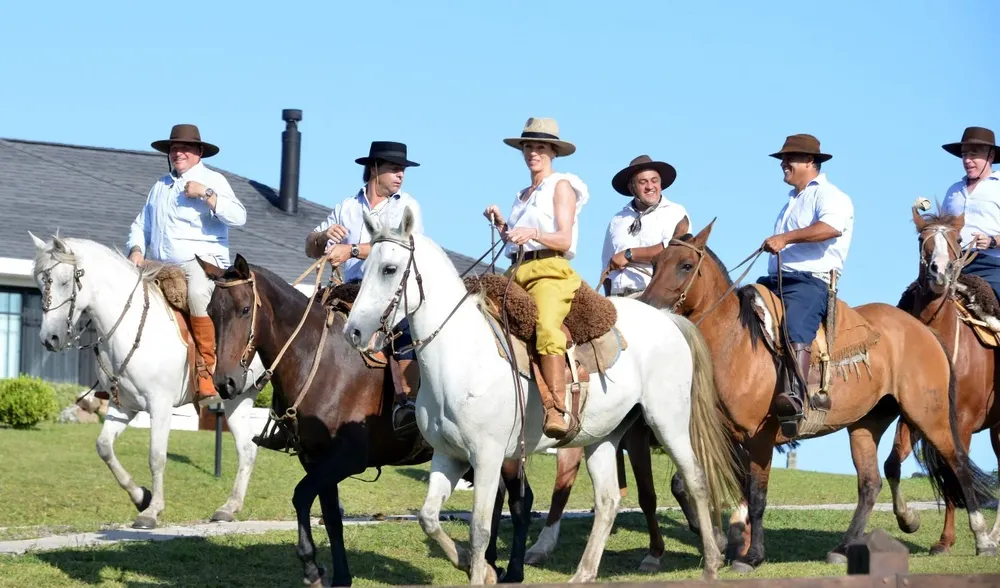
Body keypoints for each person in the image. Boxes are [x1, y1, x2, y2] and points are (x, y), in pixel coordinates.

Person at [305, 140, 424, 435]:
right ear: (374, 169)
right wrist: (322, 238)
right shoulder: (347, 206)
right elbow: (310, 245)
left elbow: (407, 246)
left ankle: (406, 403)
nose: (401, 175)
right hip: (351, 289)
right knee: (307, 324)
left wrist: (351, 250)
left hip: (391, 290)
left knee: (403, 332)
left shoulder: (407, 206)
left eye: (402, 170)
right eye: (394, 169)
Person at [483, 117, 589, 439]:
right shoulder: (522, 194)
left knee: (545, 326)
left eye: (540, 147)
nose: (533, 152)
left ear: (553, 152)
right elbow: (516, 241)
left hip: (550, 271)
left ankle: (557, 408)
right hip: (517, 270)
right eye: (528, 146)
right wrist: (503, 225)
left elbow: (564, 240)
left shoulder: (562, 186)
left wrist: (535, 233)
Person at [126, 124, 247, 407]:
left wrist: (207, 194)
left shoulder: (212, 179)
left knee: (197, 294)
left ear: (199, 152)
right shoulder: (160, 186)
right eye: (173, 148)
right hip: (158, 264)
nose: (177, 152)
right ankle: (123, 370)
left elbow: (239, 217)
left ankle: (207, 371)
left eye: (184, 147)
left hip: (201, 263)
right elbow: (140, 225)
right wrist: (135, 249)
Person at [757, 134, 854, 435]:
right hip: (776, 280)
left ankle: (796, 396)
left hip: (810, 281)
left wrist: (785, 238)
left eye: (791, 159)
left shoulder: (830, 195)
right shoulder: (791, 201)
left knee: (795, 325)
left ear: (811, 162)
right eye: (784, 159)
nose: (784, 164)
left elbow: (830, 228)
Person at [601, 154, 690, 296]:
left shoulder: (676, 212)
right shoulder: (617, 220)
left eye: (654, 181)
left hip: (653, 297)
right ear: (632, 187)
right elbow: (607, 265)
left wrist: (629, 254)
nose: (650, 186)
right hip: (618, 298)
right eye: (643, 182)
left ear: (660, 184)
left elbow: (673, 251)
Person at [940, 126, 1000, 301]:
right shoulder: (953, 191)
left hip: (991, 266)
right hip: (953, 265)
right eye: (964, 155)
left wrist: (991, 241)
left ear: (991, 156)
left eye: (974, 154)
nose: (967, 160)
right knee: (913, 300)